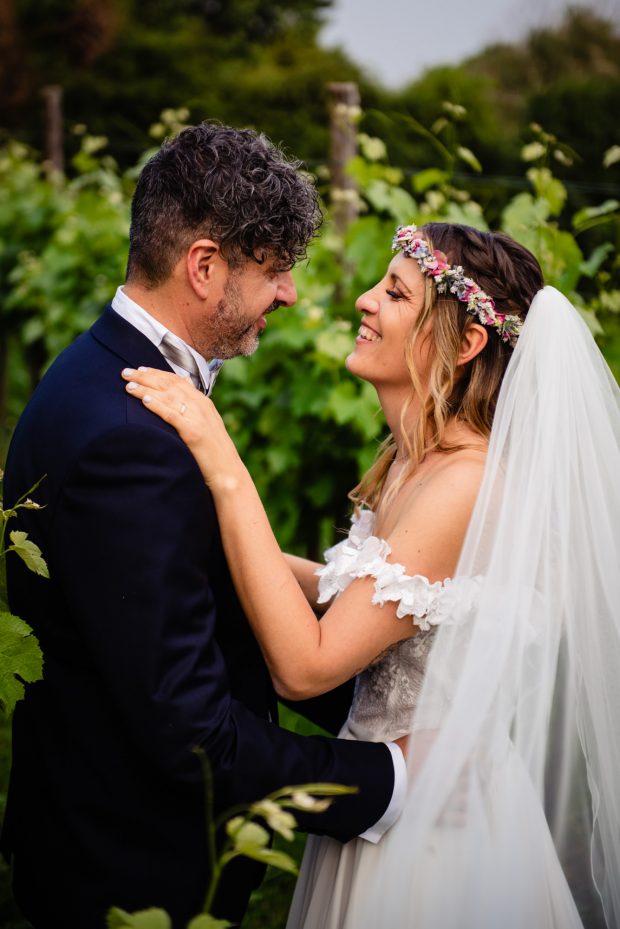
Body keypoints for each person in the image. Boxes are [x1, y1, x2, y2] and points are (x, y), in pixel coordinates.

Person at [123, 221, 620, 929]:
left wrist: (225, 467)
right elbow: (355, 602)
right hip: (389, 808)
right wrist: (197, 531)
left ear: (467, 340)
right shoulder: (418, 460)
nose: (363, 300)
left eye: (393, 292)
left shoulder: (464, 484)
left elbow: (306, 666)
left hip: (436, 838)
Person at [1, 124, 408, 929]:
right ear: (204, 266)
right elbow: (191, 733)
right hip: (128, 868)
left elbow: (199, 601)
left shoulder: (110, 371)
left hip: (97, 829)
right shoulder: (129, 435)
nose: (290, 293)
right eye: (275, 269)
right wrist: (386, 780)